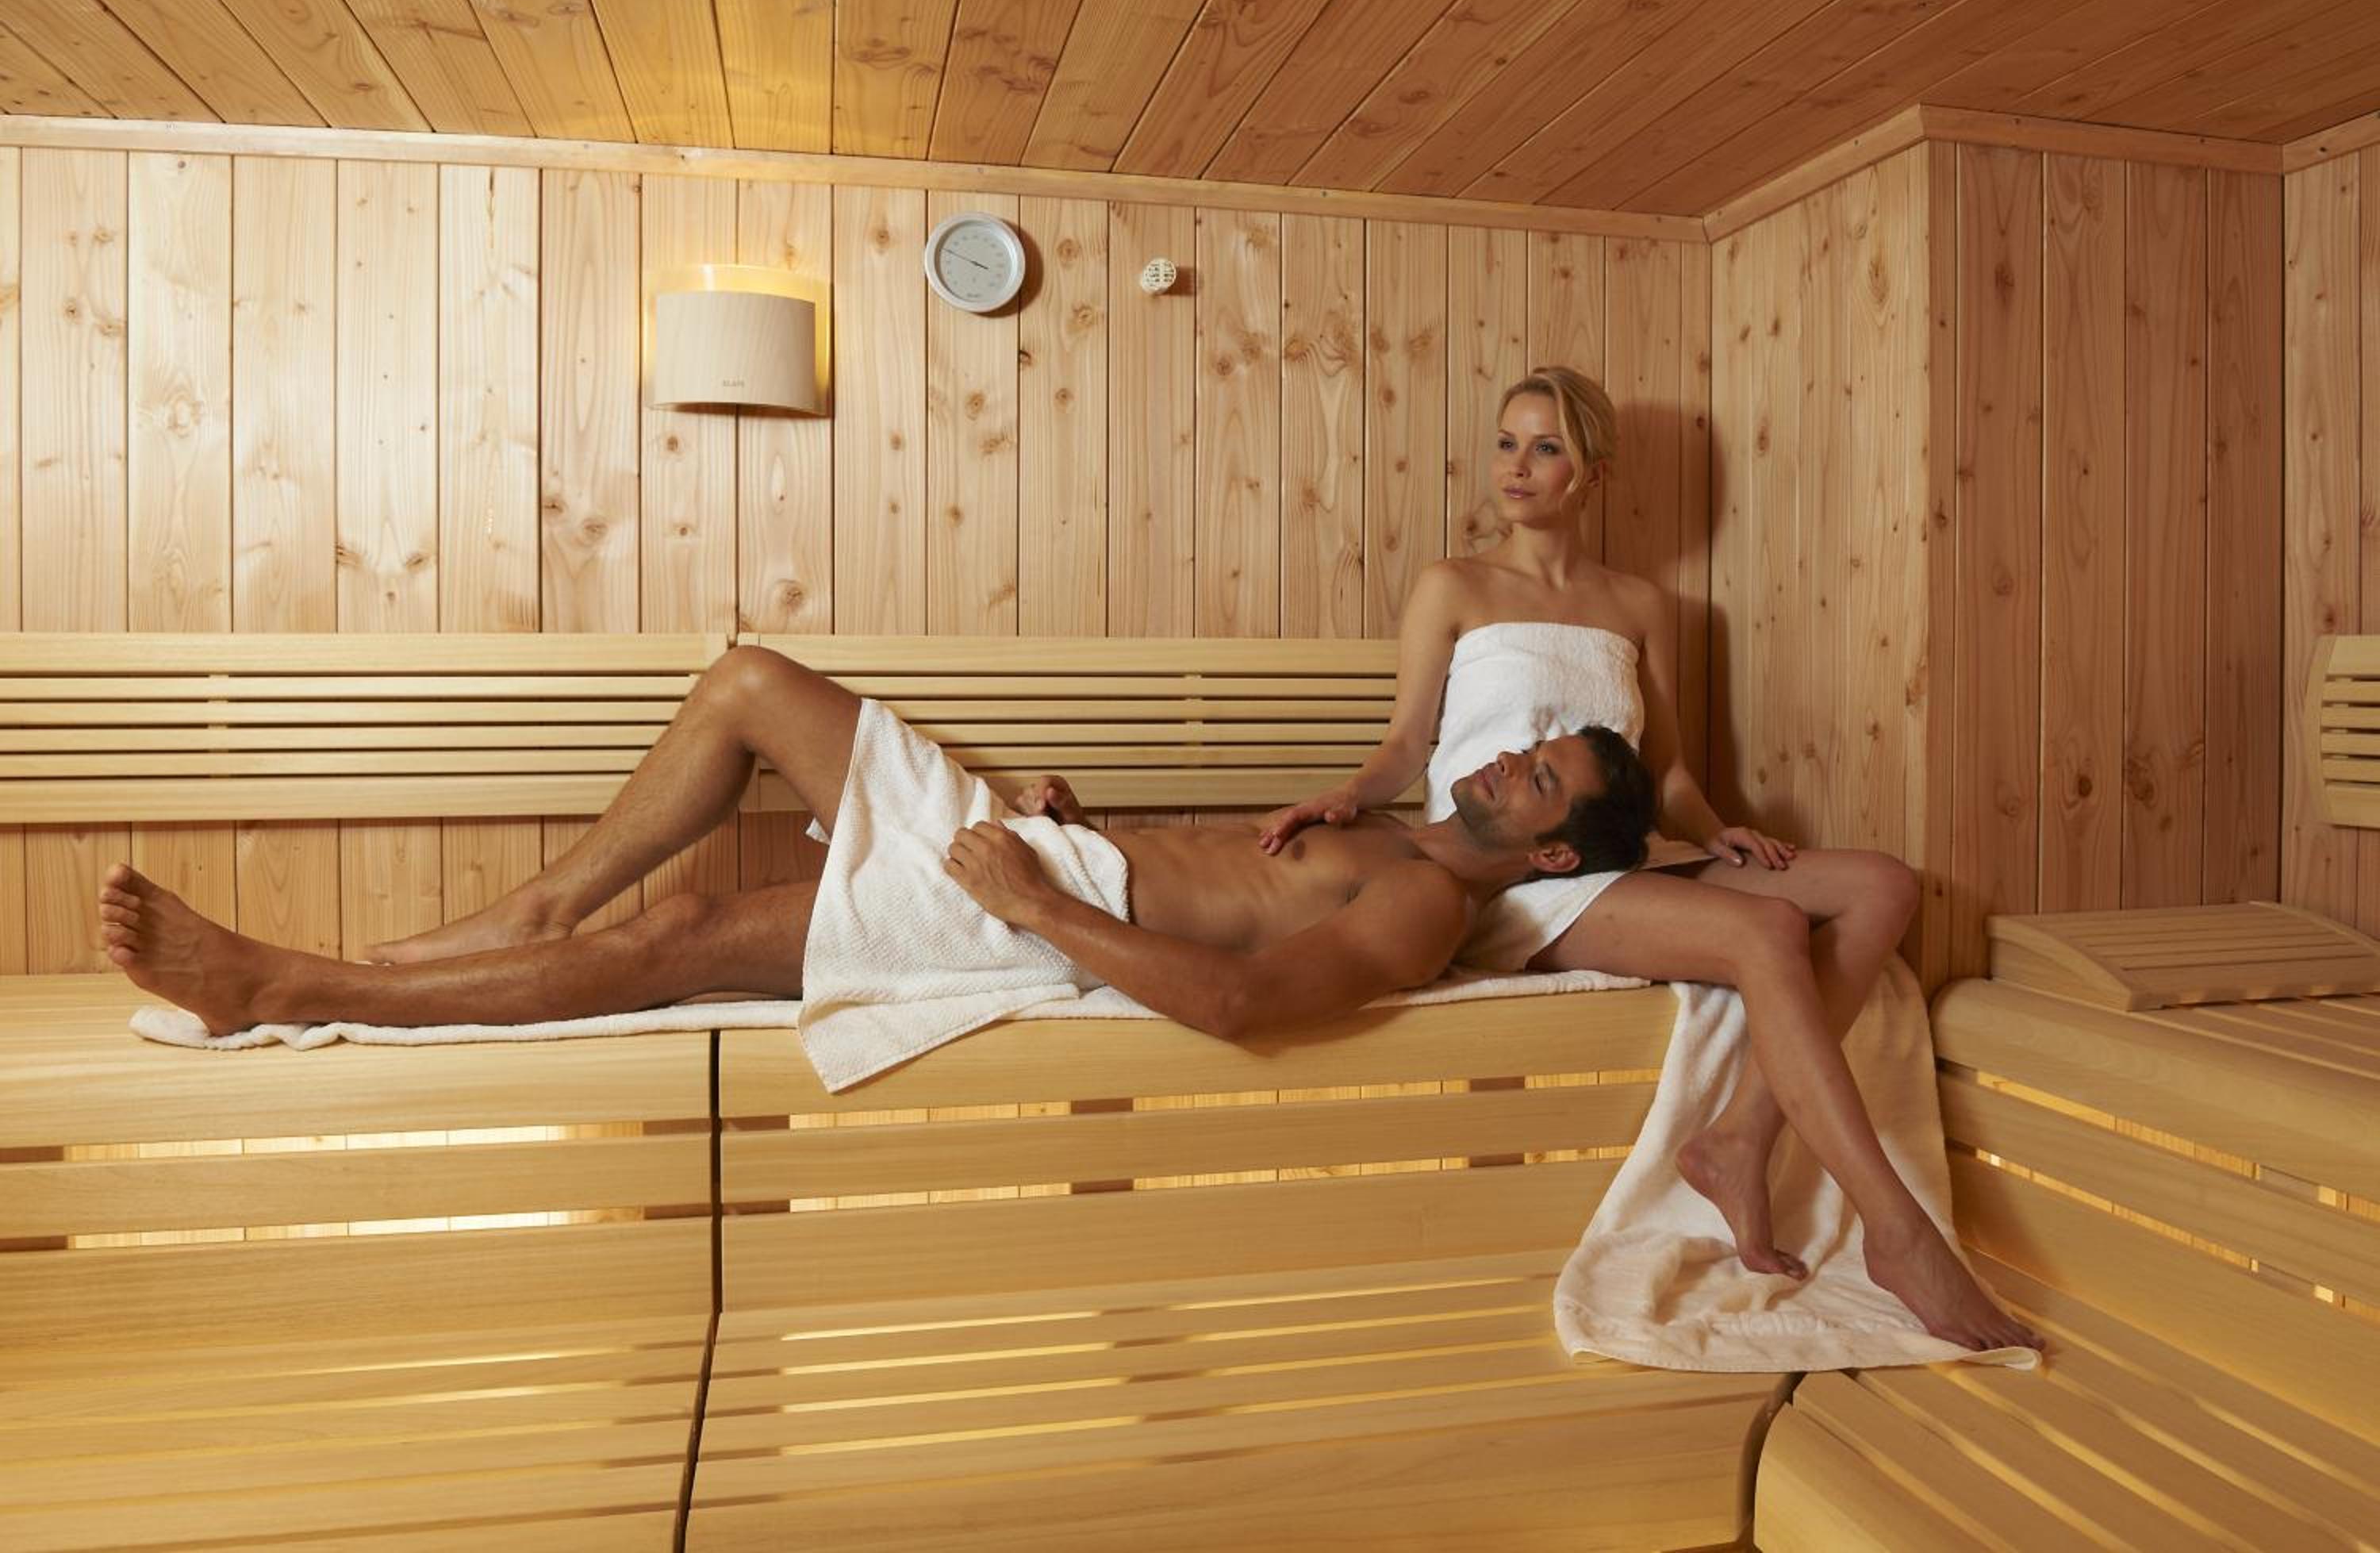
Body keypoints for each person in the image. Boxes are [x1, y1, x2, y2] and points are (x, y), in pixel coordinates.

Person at [1256, 366, 2039, 1355]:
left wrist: (1715, 831)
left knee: (1881, 884)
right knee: (1767, 928)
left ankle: (1741, 1136)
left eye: (1546, 448)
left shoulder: (1639, 605)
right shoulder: (1453, 586)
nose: (1518, 466)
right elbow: (1409, 743)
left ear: (1593, 473)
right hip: (1519, 873)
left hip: (1626, 848)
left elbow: (1665, 767)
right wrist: (1349, 795)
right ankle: (1898, 1231)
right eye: (1507, 442)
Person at [98, 644, 1656, 1081]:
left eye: (1540, 777)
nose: (1506, 757)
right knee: (747, 682)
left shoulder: (1424, 900)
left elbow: (1240, 1001)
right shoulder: (1381, 827)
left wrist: (1041, 898)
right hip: (1046, 850)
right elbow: (1213, 880)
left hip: (1037, 910)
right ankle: (525, 910)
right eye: (1528, 743)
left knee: (686, 934)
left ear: (1552, 846)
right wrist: (1073, 820)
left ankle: (293, 987)